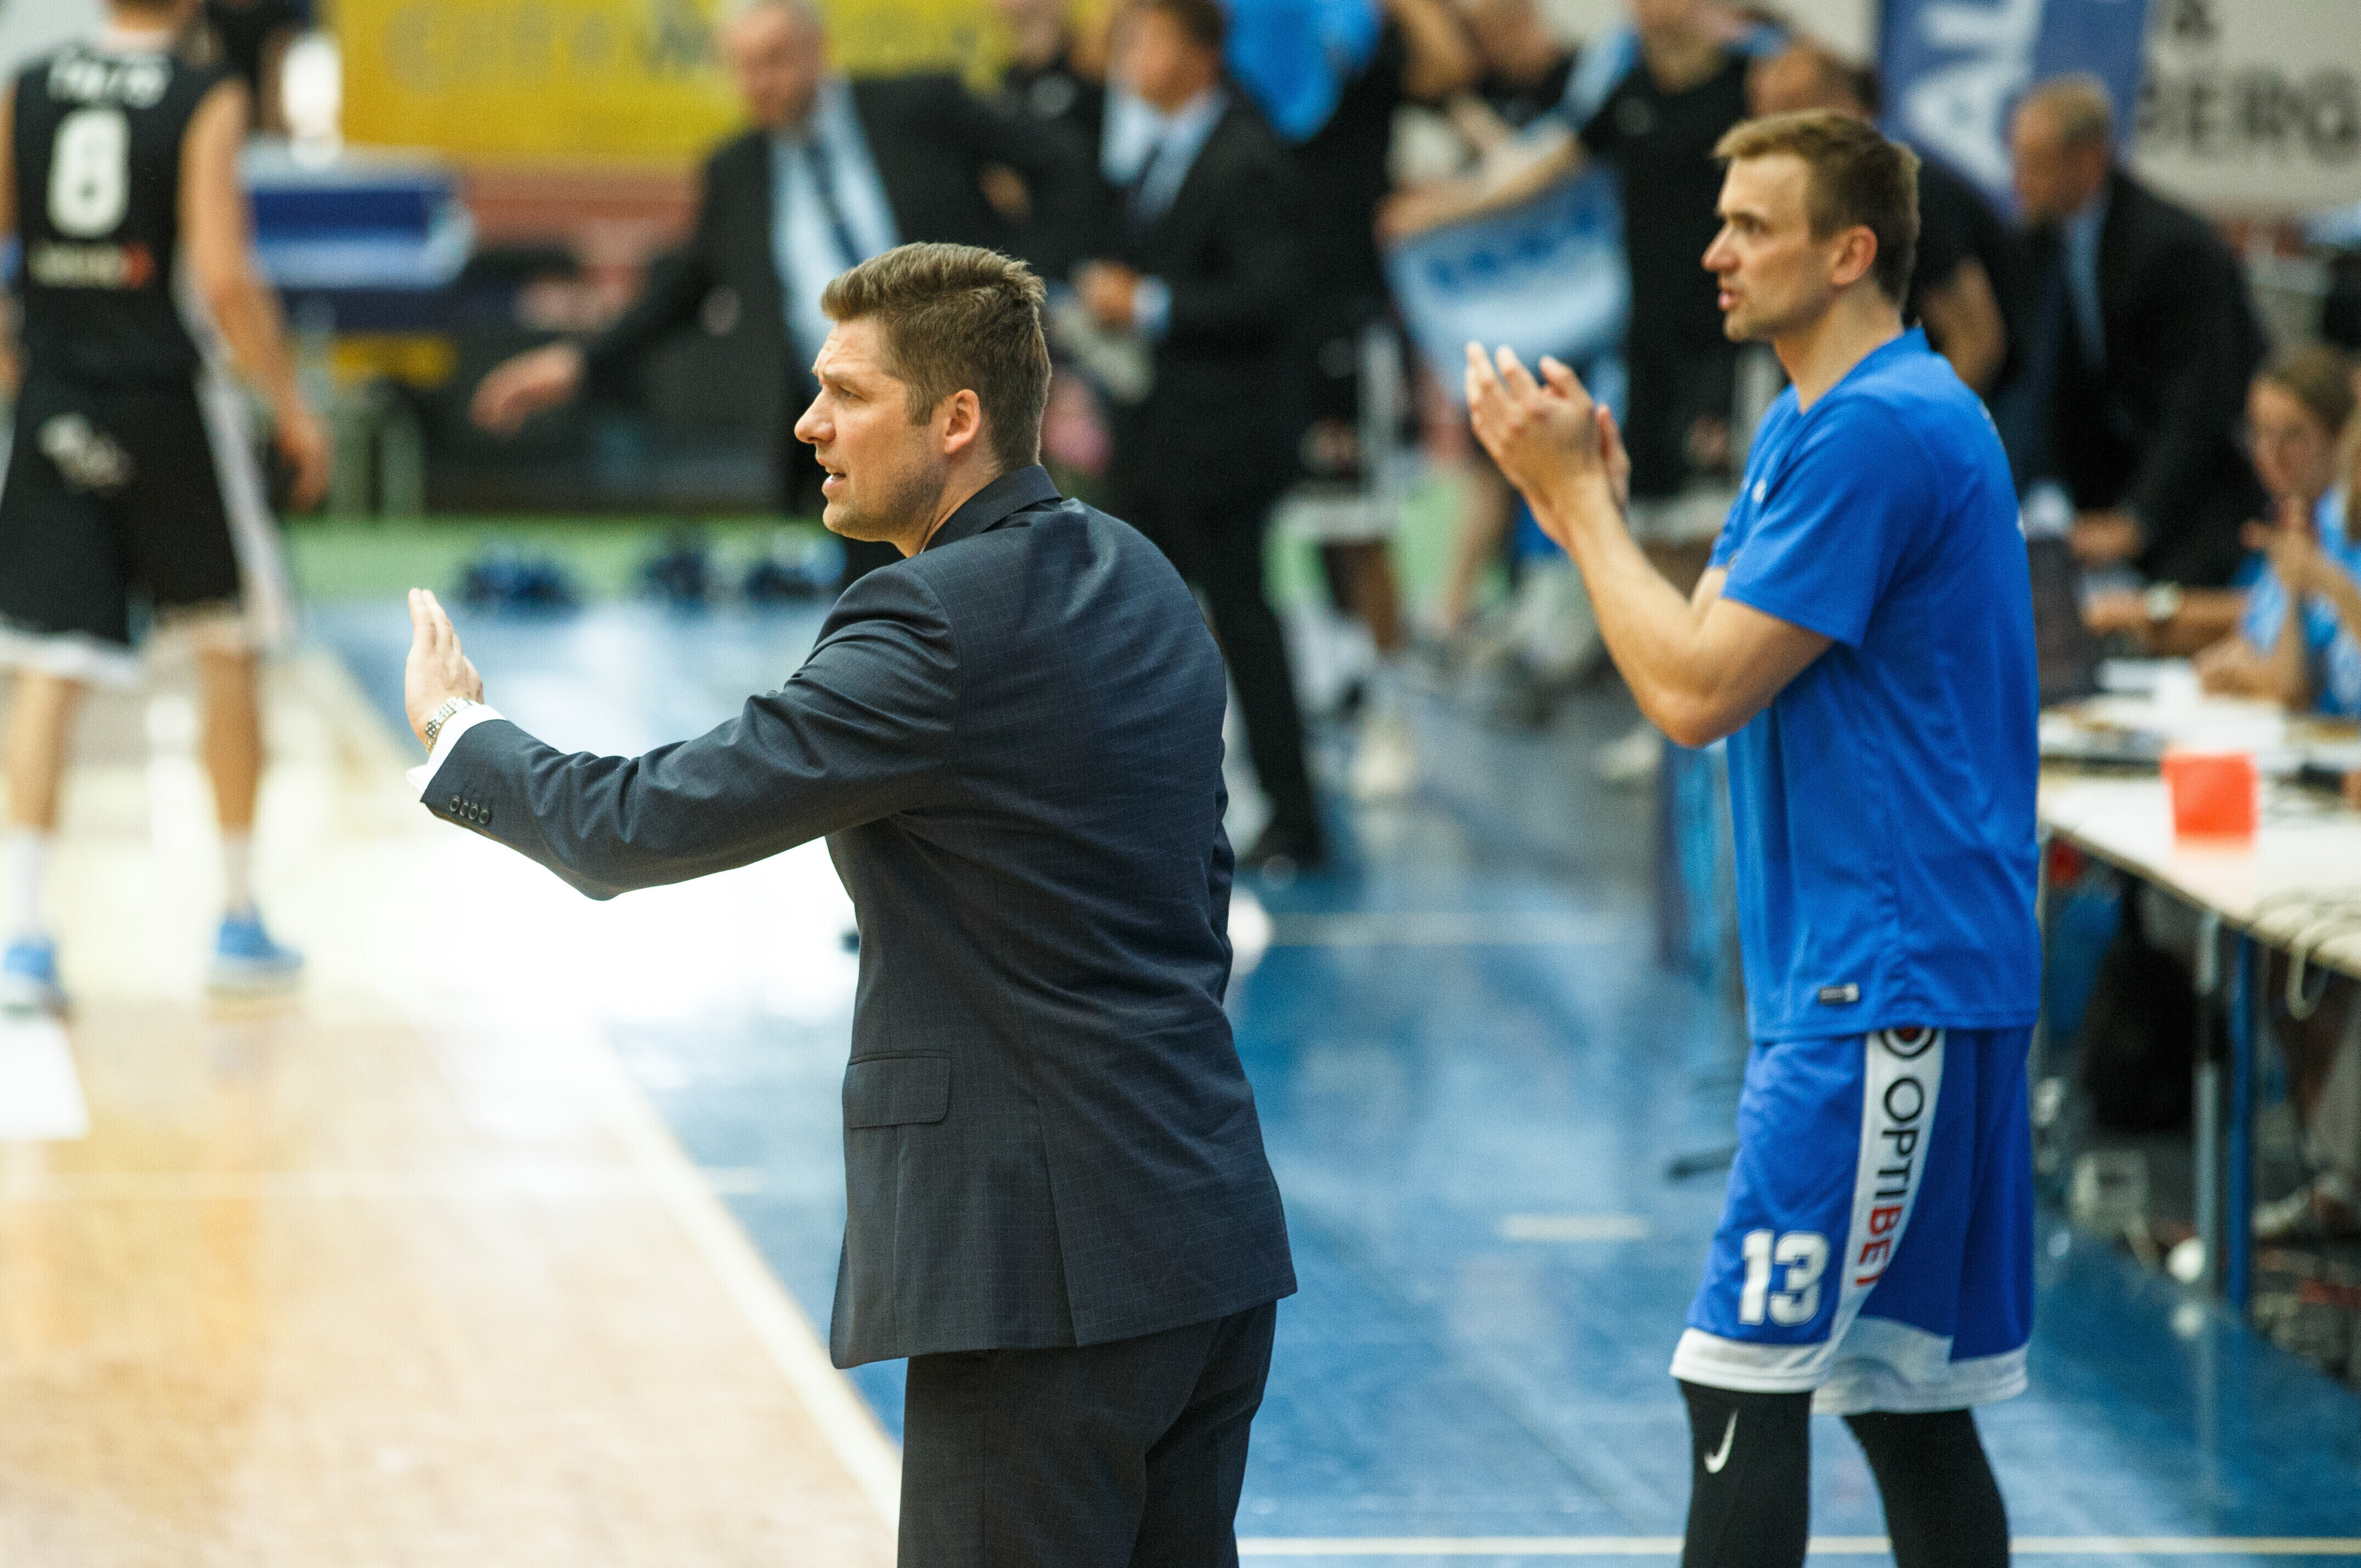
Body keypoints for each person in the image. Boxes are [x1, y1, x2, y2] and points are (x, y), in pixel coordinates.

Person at [404, 243, 1295, 1565]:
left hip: (1035, 1274)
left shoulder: (929, 624)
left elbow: (637, 823)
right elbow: (1199, 890)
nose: (808, 423)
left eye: (848, 393)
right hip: (1206, 1232)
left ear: (956, 419)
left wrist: (461, 737)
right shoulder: (1144, 576)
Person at [1468, 110, 2036, 1568]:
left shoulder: (1875, 431)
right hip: (1878, 973)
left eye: (1752, 225)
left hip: (1882, 982)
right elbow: (1701, 637)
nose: (1714, 250)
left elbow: (1691, 693)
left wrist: (1574, 505)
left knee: (1736, 1378)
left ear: (1850, 253)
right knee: (1903, 1407)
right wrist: (1583, 514)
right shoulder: (1813, 421)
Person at [471, 0, 1088, 591]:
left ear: (817, 49)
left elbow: (1063, 168)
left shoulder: (918, 107)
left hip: (963, 404)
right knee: (886, 610)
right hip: (853, 438)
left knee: (1007, 575)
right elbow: (677, 295)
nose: (760, 82)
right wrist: (577, 363)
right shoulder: (736, 173)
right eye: (744, 66)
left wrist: (1024, 298)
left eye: (775, 59)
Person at [0, 0, 333, 1015]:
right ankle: (236, 915)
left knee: (50, 662)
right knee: (226, 644)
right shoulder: (205, 93)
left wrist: (19, 369)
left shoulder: (28, 88)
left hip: (58, 401)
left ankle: (21, 934)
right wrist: (291, 405)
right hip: (167, 404)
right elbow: (223, 276)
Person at [1076, 0, 1325, 874]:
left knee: (1241, 622)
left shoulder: (1246, 154)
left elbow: (1272, 294)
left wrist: (1145, 303)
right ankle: (1133, 808)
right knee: (1128, 621)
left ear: (1202, 50)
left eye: (1146, 37)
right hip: (1160, 439)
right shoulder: (1157, 152)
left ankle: (1294, 817)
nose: (1128, 55)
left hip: (1224, 442)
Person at [1277, 0, 1475, 801]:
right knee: (1299, 525)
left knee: (1359, 520)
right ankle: (1340, 682)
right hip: (1260, 322)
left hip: (1348, 315)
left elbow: (1450, 68)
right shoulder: (1242, 41)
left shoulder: (1361, 50)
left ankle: (1392, 709)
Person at [2009, 73, 2266, 590]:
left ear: (2089, 159)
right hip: (2096, 497)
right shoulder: (2039, 246)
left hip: (2197, 501)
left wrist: (2137, 519)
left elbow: (2200, 401)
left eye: (2035, 162)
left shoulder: (2174, 249)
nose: (2019, 181)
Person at [1746, 38, 2025, 401]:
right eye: (1763, 114)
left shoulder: (1908, 195)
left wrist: (1910, 428)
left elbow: (1977, 341)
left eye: (1791, 110)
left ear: (1844, 107)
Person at [2097, 347, 2354, 677]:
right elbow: (2255, 624)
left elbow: (2291, 677)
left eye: (2291, 435)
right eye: (2259, 433)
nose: (2269, 454)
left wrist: (2145, 610)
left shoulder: (2342, 526)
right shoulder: (2291, 517)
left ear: (2342, 438)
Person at [187, 0, 307, 135]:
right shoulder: (206, 13)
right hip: (218, 105)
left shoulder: (279, 14)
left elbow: (276, 81)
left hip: (266, 116)